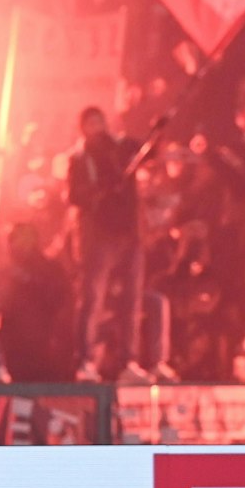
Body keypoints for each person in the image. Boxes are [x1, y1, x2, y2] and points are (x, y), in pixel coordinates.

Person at [67, 106, 154, 384]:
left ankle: (130, 362)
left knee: (132, 299)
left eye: (99, 122)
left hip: (129, 233)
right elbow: (76, 195)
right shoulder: (80, 159)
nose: (96, 128)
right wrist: (101, 191)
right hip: (99, 236)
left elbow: (149, 152)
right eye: (90, 124)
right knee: (93, 296)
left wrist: (156, 131)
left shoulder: (123, 147)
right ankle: (85, 360)